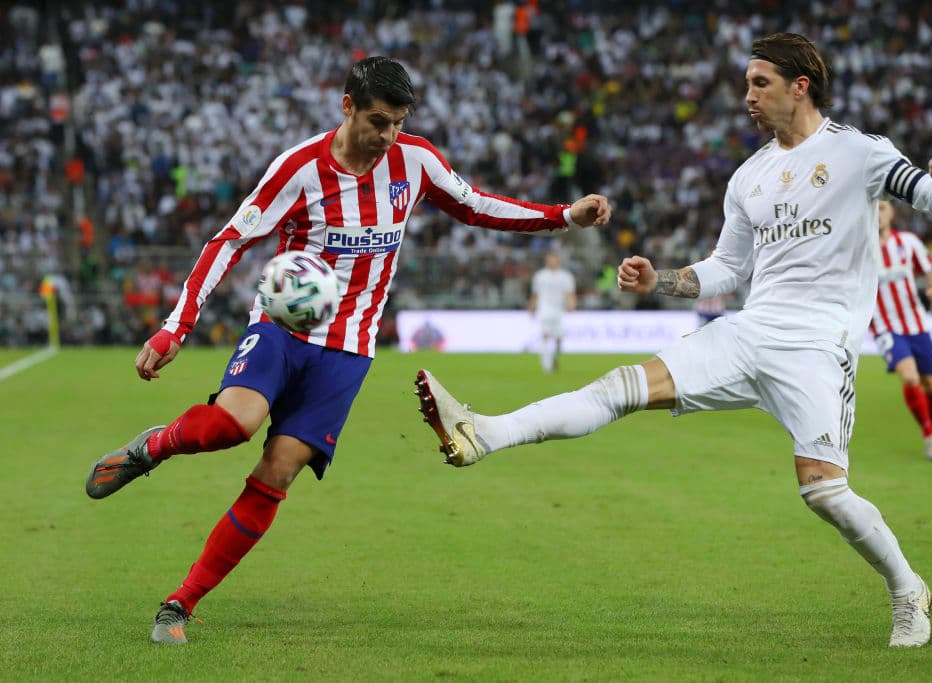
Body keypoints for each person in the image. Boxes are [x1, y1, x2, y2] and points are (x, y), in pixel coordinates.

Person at [414, 33, 932, 647]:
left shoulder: (859, 153)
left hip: (818, 347)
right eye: (747, 83)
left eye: (760, 83)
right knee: (619, 387)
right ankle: (485, 433)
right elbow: (728, 270)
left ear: (800, 86)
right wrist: (663, 280)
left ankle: (906, 588)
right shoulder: (749, 177)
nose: (747, 96)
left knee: (824, 492)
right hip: (748, 332)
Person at [84, 56, 611, 645]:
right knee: (231, 426)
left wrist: (563, 215)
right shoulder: (299, 168)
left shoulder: (416, 160)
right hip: (282, 328)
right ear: (348, 106)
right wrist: (175, 328)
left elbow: (477, 205)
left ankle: (180, 604)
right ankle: (152, 446)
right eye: (379, 121)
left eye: (398, 123)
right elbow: (229, 240)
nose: (388, 135)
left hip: (347, 351)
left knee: (277, 472)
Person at [869, 200, 932, 460]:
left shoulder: (908, 242)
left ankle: (931, 430)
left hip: (917, 324)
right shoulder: (860, 248)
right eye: (873, 207)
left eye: (882, 208)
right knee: (911, 378)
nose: (877, 213)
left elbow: (929, 269)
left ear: (891, 213)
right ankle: (928, 434)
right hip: (884, 327)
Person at [529, 251, 576, 373]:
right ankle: (546, 364)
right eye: (549, 259)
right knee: (545, 334)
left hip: (558, 309)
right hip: (544, 308)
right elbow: (535, 294)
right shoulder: (540, 275)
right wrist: (532, 307)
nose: (551, 261)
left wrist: (571, 303)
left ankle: (554, 356)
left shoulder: (566, 276)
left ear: (558, 260)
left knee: (559, 337)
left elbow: (570, 293)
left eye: (554, 259)